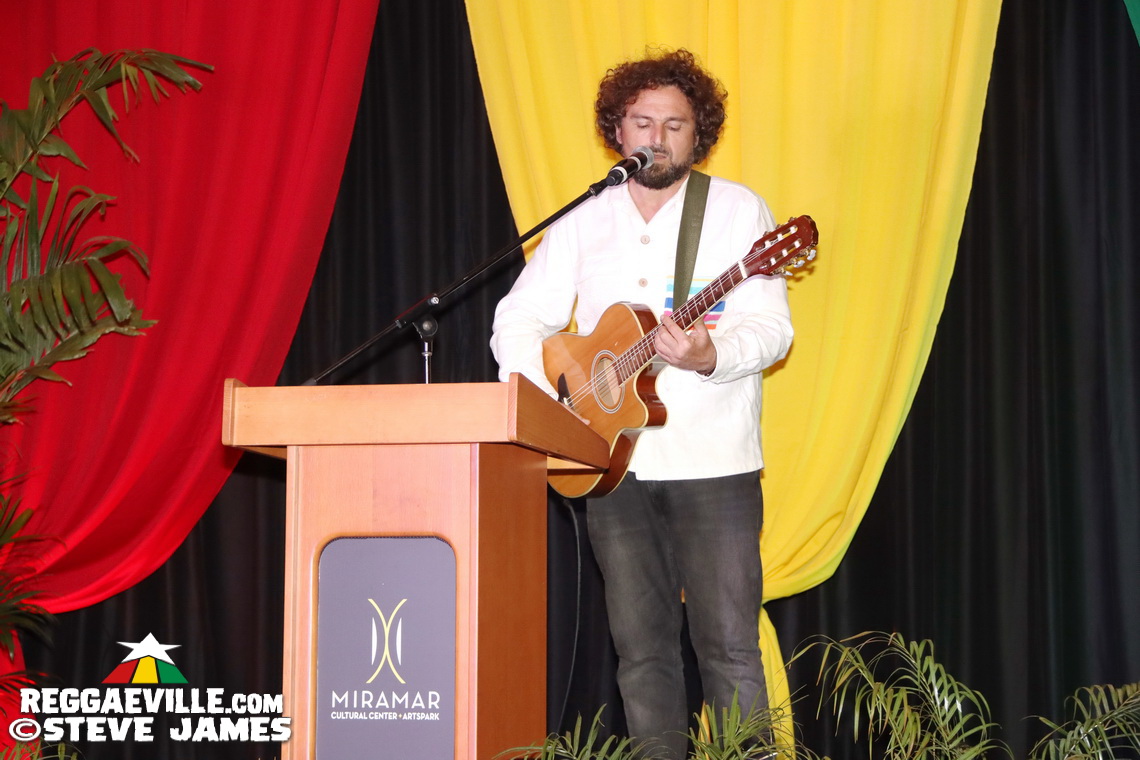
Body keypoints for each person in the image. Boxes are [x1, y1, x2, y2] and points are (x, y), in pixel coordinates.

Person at [490, 49, 793, 759]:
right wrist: (563, 397)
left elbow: (772, 330)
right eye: (642, 123)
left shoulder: (738, 210)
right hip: (610, 469)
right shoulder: (584, 219)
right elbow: (518, 320)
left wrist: (708, 355)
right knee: (641, 654)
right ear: (617, 132)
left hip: (713, 465)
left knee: (729, 651)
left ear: (699, 134)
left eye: (675, 125)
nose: (656, 138)